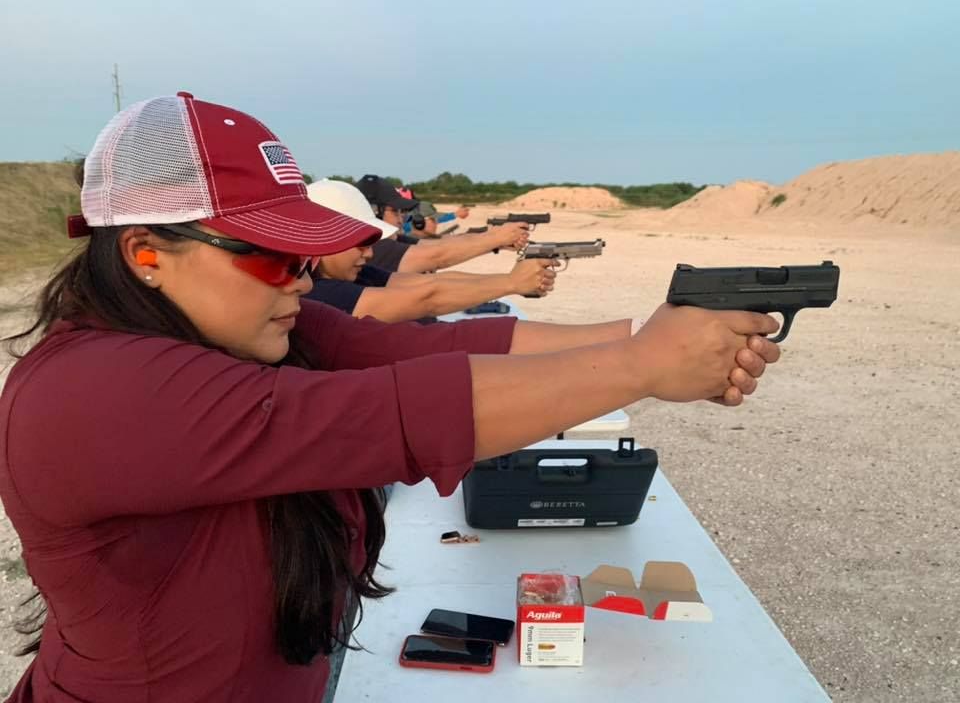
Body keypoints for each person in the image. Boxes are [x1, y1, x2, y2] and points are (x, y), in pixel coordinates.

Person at [0, 92, 781, 703]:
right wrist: (643, 366)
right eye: (275, 258)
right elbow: (385, 417)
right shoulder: (90, 392)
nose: (304, 281)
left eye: (306, 257)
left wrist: (650, 339)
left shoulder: (249, 332)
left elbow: (436, 349)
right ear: (147, 255)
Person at [304, 179, 555, 322]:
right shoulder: (319, 291)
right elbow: (429, 286)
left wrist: (507, 275)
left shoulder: (345, 270)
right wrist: (510, 281)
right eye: (396, 210)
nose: (369, 252)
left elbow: (426, 283)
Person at [355, 174, 528, 273]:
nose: (401, 219)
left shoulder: (394, 240)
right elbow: (437, 256)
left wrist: (494, 241)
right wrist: (494, 240)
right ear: (373, 211)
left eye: (402, 212)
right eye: (395, 211)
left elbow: (438, 245)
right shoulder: (375, 247)